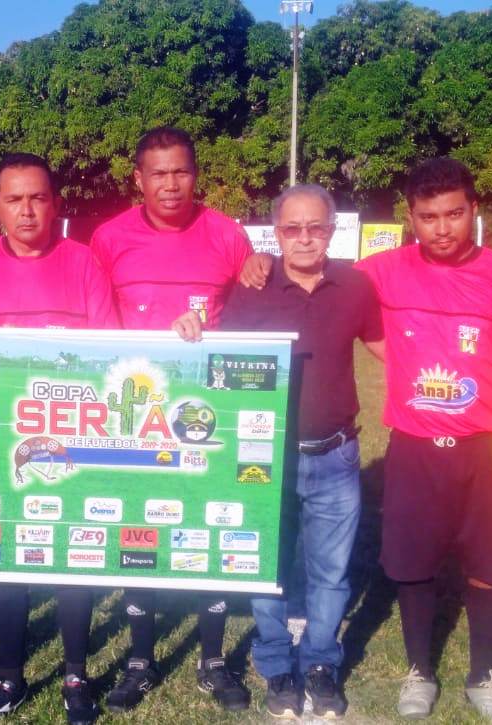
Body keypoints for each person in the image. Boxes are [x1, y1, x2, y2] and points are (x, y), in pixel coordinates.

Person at [173, 184, 383, 719]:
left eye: (316, 227)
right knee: (263, 565)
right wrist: (189, 331)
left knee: (330, 574)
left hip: (335, 455)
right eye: (293, 228)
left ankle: (319, 663)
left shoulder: (356, 286)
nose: (305, 238)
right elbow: (213, 354)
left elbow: (389, 349)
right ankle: (277, 666)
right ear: (277, 233)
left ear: (332, 230)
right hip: (262, 457)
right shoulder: (252, 287)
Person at [356, 158, 492, 724]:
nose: (442, 228)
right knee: (413, 566)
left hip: (485, 446)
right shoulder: (382, 271)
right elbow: (324, 287)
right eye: (428, 216)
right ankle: (421, 670)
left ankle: (482, 676)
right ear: (410, 219)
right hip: (414, 445)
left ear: (474, 211)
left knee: (490, 566)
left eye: (454, 214)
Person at [89, 126, 270, 714]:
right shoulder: (109, 238)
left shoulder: (226, 234)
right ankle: (140, 659)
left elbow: (254, 308)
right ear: (138, 179)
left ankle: (213, 659)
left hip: (206, 420)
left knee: (213, 531)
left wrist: (260, 264)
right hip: (135, 418)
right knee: (138, 531)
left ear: (197, 174)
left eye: (181, 171)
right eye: (158, 173)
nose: (170, 184)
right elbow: (95, 329)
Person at [0, 153, 118, 725]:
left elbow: (109, 357)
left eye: (38, 197)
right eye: (15, 199)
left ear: (56, 203)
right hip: (3, 447)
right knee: (6, 564)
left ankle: (76, 675)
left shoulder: (85, 263)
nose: (27, 210)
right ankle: (10, 677)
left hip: (73, 445)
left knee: (75, 559)